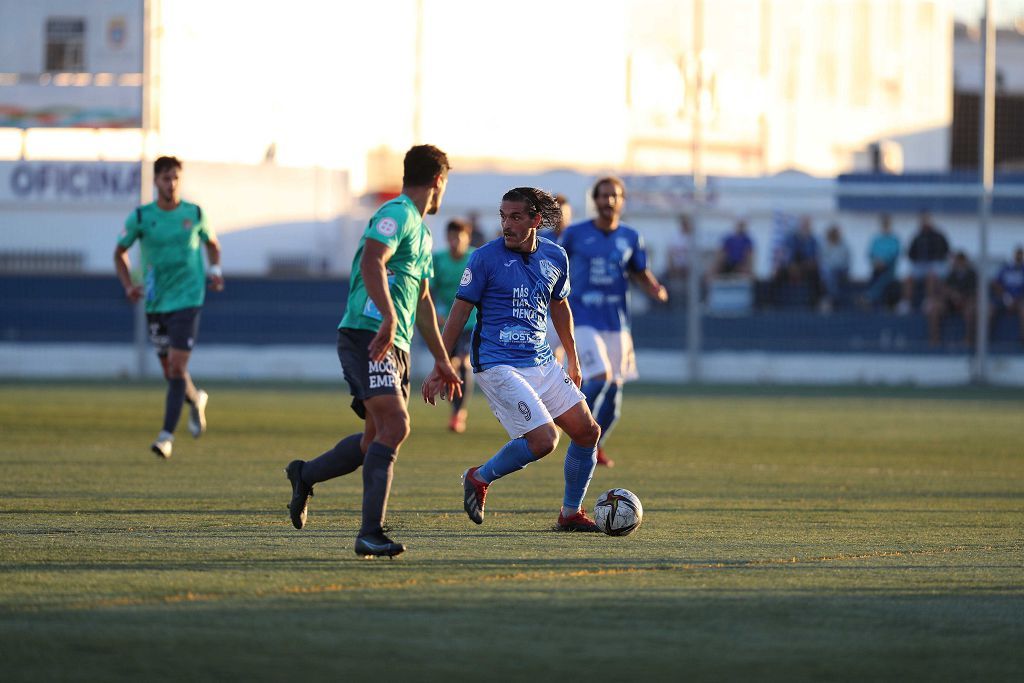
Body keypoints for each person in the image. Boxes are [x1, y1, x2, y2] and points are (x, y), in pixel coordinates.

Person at [283, 144, 461, 558]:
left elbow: (422, 301)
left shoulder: (423, 230)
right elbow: (371, 261)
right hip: (367, 334)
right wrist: (386, 315)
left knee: (372, 442)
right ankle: (370, 533)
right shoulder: (396, 214)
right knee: (396, 427)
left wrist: (440, 357)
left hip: (392, 343)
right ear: (438, 180)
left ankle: (304, 474)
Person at [422, 187, 603, 532]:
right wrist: (440, 364)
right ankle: (479, 476)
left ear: (535, 220)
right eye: (503, 217)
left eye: (516, 217)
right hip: (497, 363)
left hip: (542, 362)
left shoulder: (555, 257)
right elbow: (459, 312)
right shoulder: (484, 258)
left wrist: (574, 360)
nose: (506, 224)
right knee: (544, 440)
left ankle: (570, 514)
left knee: (587, 432)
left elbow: (560, 306)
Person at [114, 156, 223, 460]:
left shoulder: (195, 213)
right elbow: (119, 252)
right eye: (165, 178)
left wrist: (214, 271)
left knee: (176, 367)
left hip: (188, 299)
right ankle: (196, 398)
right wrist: (127, 285)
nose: (171, 184)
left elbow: (212, 245)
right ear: (155, 181)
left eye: (175, 178)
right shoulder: (141, 216)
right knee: (171, 371)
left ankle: (165, 436)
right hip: (155, 300)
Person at [559, 176, 668, 468]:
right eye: (603, 195)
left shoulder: (631, 237)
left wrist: (655, 288)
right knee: (601, 376)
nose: (608, 201)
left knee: (615, 404)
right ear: (594, 200)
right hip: (582, 318)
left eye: (614, 196)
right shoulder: (575, 234)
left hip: (617, 322)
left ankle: (593, 444)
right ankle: (574, 425)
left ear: (622, 201)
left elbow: (640, 271)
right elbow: (556, 264)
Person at [431, 218, 476, 433]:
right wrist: (436, 313)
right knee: (448, 366)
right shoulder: (438, 260)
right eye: (451, 237)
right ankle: (455, 411)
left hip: (473, 321)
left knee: (463, 362)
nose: (455, 241)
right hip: (447, 322)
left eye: (459, 237)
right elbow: (428, 291)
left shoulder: (476, 257)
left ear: (467, 238)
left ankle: (459, 414)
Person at [540, 193, 573, 362]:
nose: (560, 219)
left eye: (563, 214)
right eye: (556, 214)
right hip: (548, 307)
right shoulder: (542, 239)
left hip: (576, 305)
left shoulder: (577, 237)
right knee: (550, 355)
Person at [899, 211, 950, 314]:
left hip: (935, 264)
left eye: (926, 220)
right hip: (920, 264)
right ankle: (906, 302)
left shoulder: (938, 236)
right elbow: (910, 253)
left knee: (930, 276)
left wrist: (934, 257)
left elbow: (945, 251)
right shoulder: (917, 237)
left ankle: (929, 300)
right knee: (908, 278)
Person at [926, 250, 976, 348]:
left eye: (962, 261)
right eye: (958, 261)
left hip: (965, 303)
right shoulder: (951, 274)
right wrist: (952, 295)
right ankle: (934, 340)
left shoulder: (972, 274)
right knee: (934, 309)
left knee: (971, 311)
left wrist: (962, 298)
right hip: (950, 302)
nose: (959, 263)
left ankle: (968, 340)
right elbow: (944, 289)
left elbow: (975, 292)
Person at [773, 215, 822, 307]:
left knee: (816, 275)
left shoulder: (813, 240)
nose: (805, 227)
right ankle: (773, 303)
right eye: (803, 225)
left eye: (807, 225)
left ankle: (815, 303)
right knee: (778, 274)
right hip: (791, 268)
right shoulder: (791, 238)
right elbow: (784, 254)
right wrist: (790, 266)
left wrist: (804, 266)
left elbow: (816, 259)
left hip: (806, 268)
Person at [860, 214, 901, 310]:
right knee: (878, 275)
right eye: (884, 223)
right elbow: (870, 254)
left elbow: (894, 254)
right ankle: (870, 299)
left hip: (889, 267)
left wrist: (884, 262)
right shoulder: (876, 239)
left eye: (887, 223)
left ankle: (868, 297)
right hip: (877, 267)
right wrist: (876, 262)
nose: (885, 225)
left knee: (886, 276)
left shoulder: (894, 239)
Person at [990, 245, 1024, 345]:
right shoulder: (1006, 268)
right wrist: (1006, 297)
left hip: (1019, 300)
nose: (1018, 256)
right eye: (1017, 254)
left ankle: (1022, 338)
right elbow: (995, 283)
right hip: (1004, 298)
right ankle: (986, 337)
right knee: (989, 309)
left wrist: (1017, 299)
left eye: (1020, 254)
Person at [818, 224, 850, 312]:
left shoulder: (844, 246)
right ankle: (833, 297)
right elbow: (823, 261)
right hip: (830, 272)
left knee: (830, 273)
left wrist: (833, 267)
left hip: (841, 270)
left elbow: (844, 262)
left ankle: (829, 299)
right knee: (829, 274)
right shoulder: (825, 246)